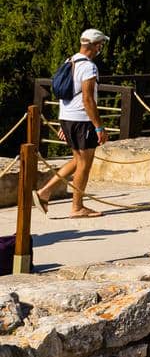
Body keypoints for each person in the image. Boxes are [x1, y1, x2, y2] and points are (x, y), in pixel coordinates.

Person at [36, 29, 111, 218]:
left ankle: (44, 192)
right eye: (100, 44)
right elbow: (88, 100)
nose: (101, 48)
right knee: (84, 164)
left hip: (68, 118)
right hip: (82, 121)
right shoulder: (89, 67)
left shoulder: (69, 61)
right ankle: (77, 207)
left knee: (77, 160)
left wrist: (63, 124)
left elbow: (64, 95)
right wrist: (99, 126)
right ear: (95, 46)